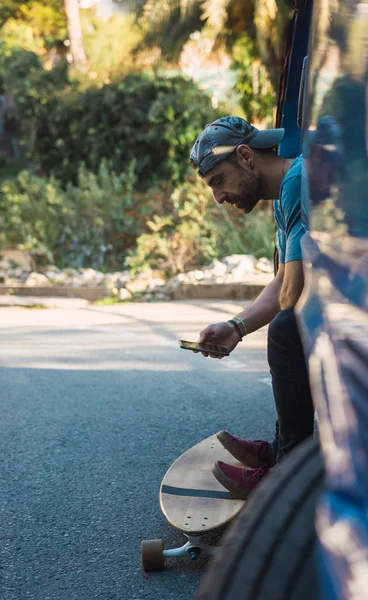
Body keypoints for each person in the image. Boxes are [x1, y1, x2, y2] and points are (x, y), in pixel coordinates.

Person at [189, 116, 314, 499]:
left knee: (286, 330)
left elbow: (291, 295)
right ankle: (281, 452)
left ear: (245, 156)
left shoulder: (301, 180)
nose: (219, 198)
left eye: (218, 182)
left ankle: (289, 472)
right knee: (287, 325)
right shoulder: (283, 200)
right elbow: (282, 283)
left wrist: (258, 322)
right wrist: (236, 327)